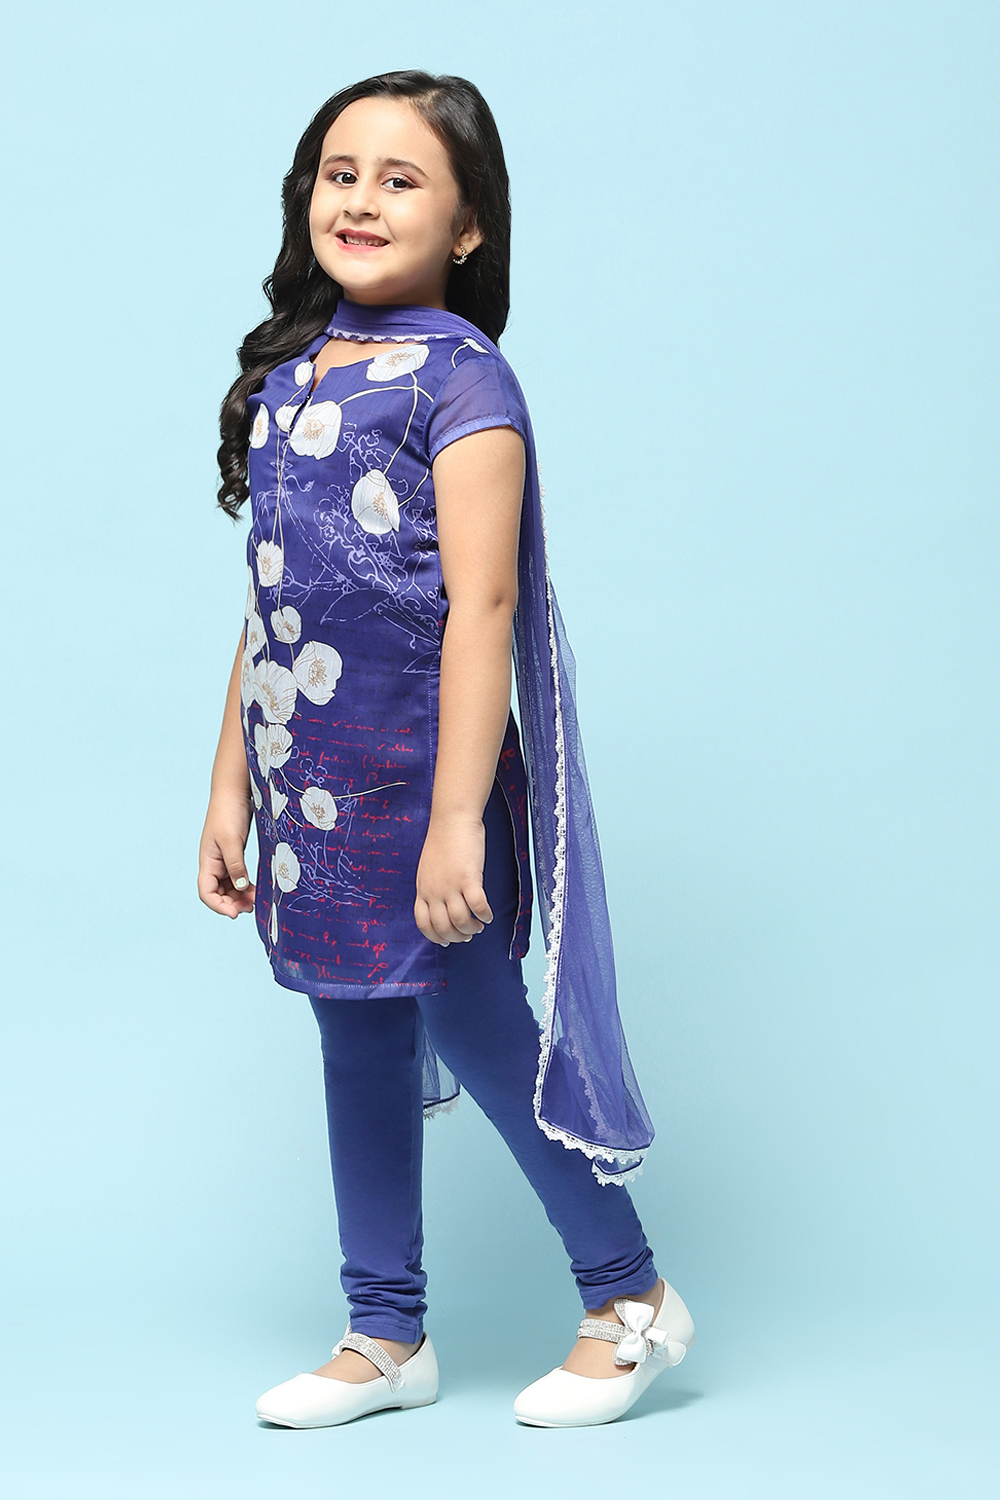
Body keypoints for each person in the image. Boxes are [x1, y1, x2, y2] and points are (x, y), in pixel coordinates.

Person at [198, 69, 693, 1430]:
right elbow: (270, 603)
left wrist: (459, 820)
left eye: (401, 179)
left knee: (477, 1026)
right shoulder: (289, 376)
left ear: (469, 225)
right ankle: (385, 1332)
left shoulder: (465, 382)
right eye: (339, 172)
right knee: (351, 1036)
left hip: (425, 790)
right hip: (306, 790)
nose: (360, 200)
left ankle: (632, 1297)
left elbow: (482, 606)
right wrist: (230, 787)